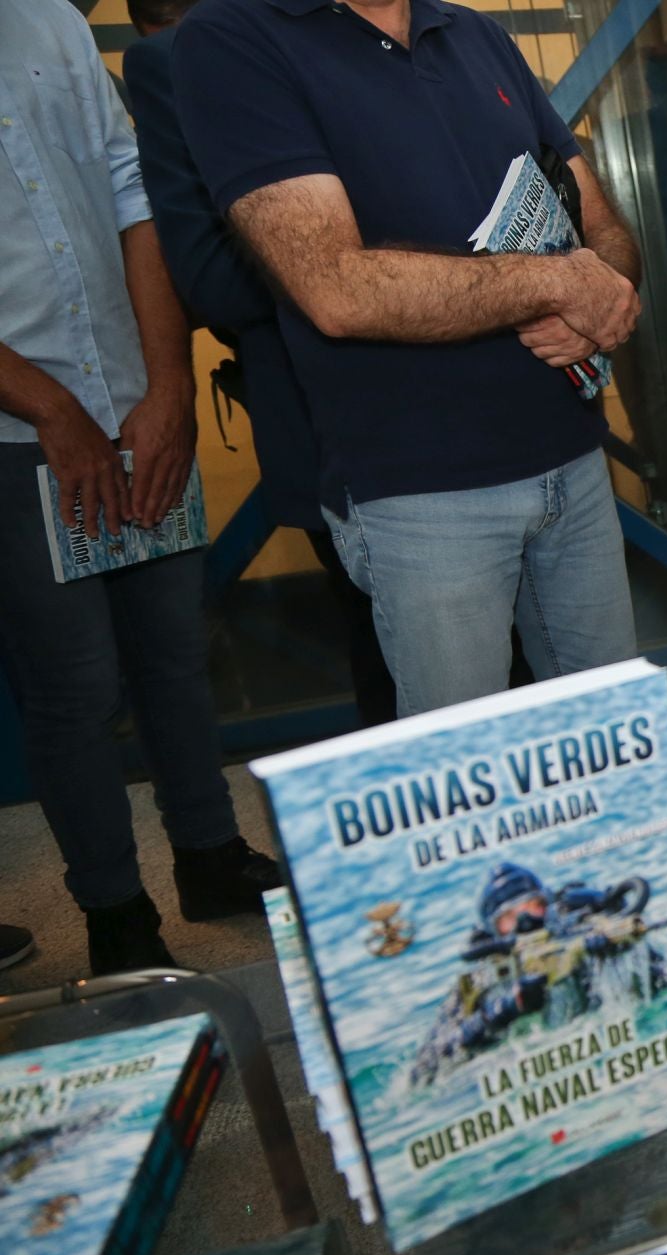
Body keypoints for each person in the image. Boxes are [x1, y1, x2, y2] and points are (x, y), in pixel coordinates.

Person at [170, 0, 643, 718]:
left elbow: (602, 224)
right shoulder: (234, 38)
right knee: (463, 782)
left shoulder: (472, 31)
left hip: (572, 461)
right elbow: (336, 287)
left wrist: (601, 297)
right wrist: (557, 283)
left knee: (610, 743)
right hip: (423, 491)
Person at [0, 0, 282, 974]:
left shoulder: (52, 25)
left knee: (174, 649)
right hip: (15, 432)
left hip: (131, 403)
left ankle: (208, 852)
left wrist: (165, 385)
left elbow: (136, 199)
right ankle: (117, 914)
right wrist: (47, 407)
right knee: (72, 685)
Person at [120, 0, 397, 727]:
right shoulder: (177, 58)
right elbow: (210, 276)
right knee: (398, 672)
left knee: (534, 667)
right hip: (335, 422)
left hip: (487, 402)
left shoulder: (387, 30)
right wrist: (361, 271)